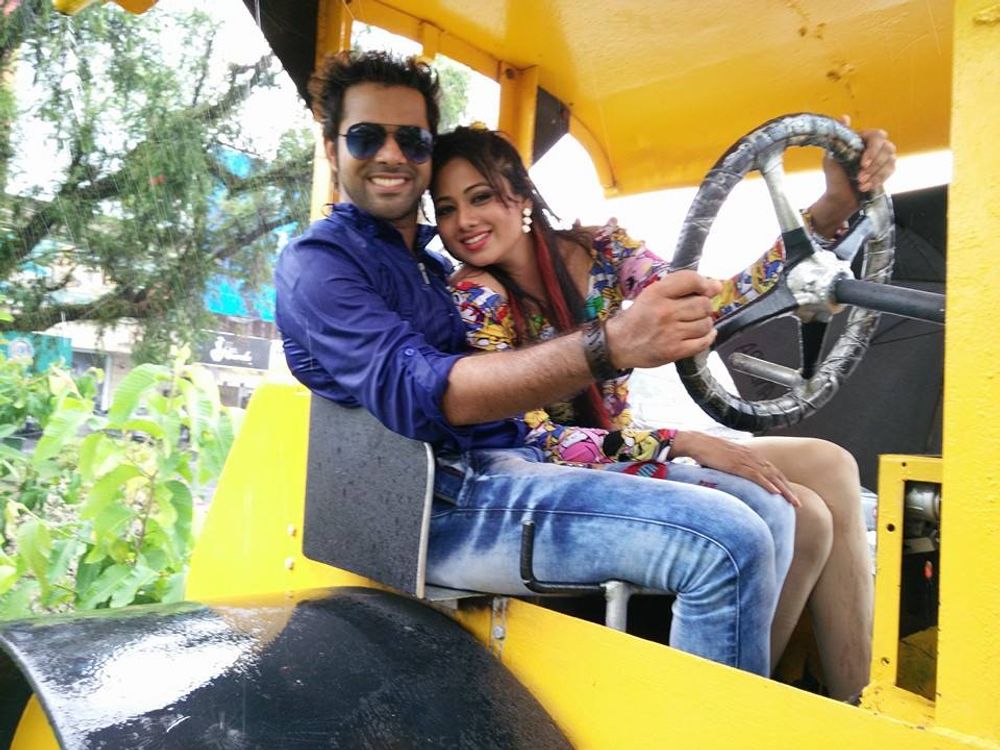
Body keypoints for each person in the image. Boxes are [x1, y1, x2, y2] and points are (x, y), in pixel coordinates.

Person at [275, 49, 795, 678]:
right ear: (332, 149)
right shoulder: (320, 264)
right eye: (365, 137)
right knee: (727, 542)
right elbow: (424, 394)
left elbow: (703, 300)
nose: (391, 154)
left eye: (411, 140)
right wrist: (610, 345)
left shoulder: (432, 268)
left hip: (512, 469)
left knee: (770, 509)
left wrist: (817, 229)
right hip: (437, 506)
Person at [429, 124, 896, 700]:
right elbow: (536, 441)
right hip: (563, 476)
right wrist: (682, 441)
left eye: (480, 197)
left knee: (830, 465)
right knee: (806, 516)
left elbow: (708, 306)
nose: (464, 221)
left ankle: (861, 703)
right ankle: (745, 704)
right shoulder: (476, 299)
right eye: (446, 209)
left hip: (626, 446)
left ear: (522, 197)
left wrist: (826, 214)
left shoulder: (601, 251)